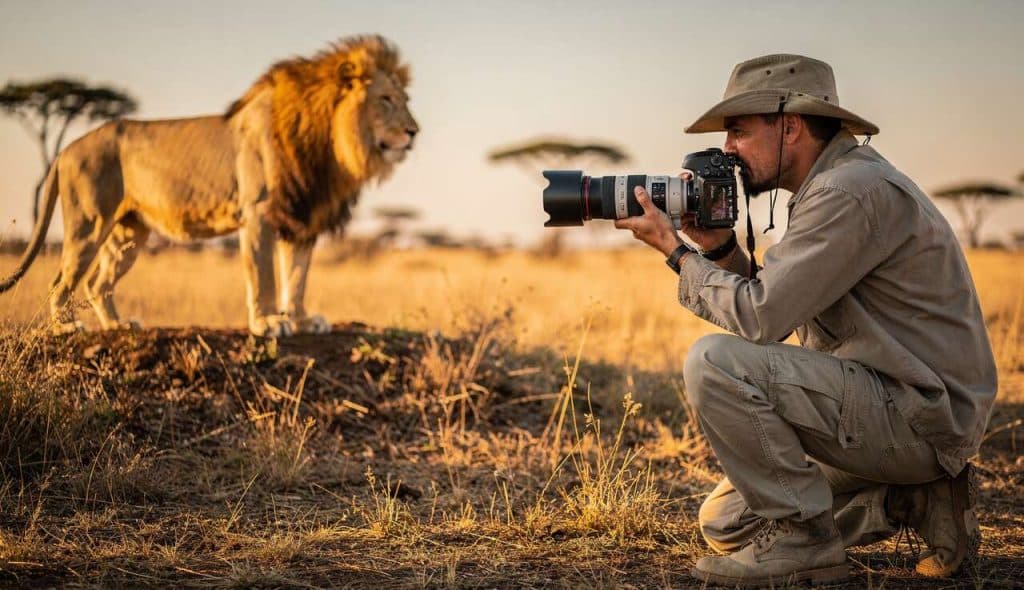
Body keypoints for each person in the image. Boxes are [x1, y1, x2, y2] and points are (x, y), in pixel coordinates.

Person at [615, 54, 996, 586]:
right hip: (889, 404)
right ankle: (908, 499)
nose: (726, 149)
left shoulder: (847, 192)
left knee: (714, 362)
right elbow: (785, 305)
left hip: (918, 413)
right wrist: (720, 249)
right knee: (724, 522)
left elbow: (761, 317)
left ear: (789, 127)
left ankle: (805, 541)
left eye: (738, 131)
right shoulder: (832, 185)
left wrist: (675, 253)